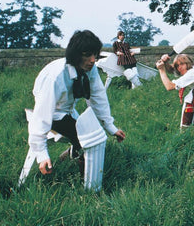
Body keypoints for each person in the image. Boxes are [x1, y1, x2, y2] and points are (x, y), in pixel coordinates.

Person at [28, 30, 126, 181]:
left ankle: (72, 158)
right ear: (75, 55)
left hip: (67, 112)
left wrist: (111, 127)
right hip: (52, 114)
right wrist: (41, 154)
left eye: (95, 55)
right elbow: (42, 116)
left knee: (95, 134)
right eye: (87, 55)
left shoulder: (90, 69)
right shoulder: (55, 77)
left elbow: (98, 97)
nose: (93, 60)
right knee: (88, 140)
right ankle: (87, 184)